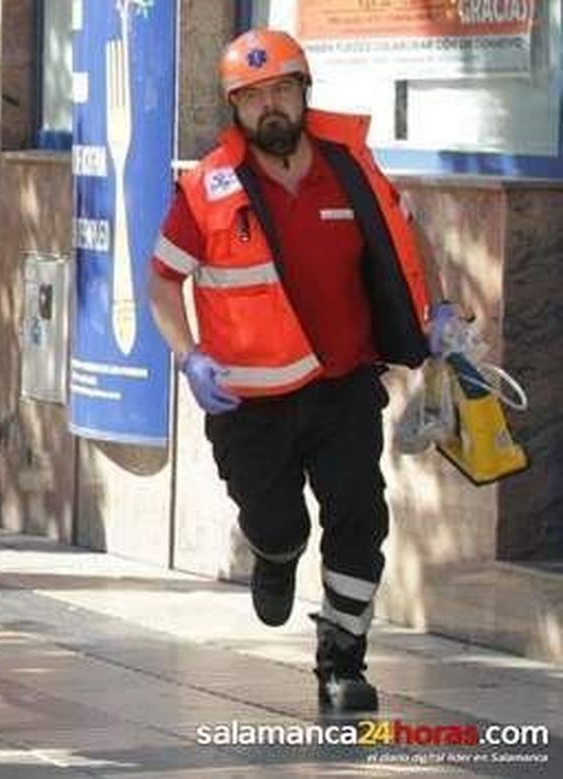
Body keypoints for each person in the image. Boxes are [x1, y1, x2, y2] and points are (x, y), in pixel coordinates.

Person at [146, 29, 453, 714]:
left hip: (342, 386)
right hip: (249, 404)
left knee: (360, 515)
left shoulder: (350, 167)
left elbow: (408, 235)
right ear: (234, 107)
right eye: (252, 96)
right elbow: (163, 280)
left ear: (304, 91)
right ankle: (276, 553)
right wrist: (189, 355)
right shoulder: (207, 188)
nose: (271, 106)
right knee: (280, 524)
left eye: (282, 88)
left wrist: (438, 307)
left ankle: (342, 661)